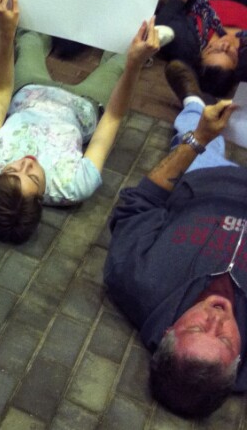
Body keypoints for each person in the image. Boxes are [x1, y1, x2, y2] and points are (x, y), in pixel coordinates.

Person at [104, 63, 244, 416]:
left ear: (169, 331)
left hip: (209, 180)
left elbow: (139, 203)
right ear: (238, 359)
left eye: (198, 328)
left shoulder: (134, 281)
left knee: (190, 132)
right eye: (225, 338)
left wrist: (199, 138)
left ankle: (193, 100)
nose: (217, 318)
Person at [0, 0, 159, 244]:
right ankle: (146, 42)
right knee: (121, 62)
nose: (27, 162)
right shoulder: (73, 185)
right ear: (41, 198)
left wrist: (6, 33)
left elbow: (2, 93)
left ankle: (59, 2)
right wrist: (134, 65)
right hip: (83, 105)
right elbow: (112, 118)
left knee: (29, 39)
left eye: (13, 171)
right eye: (33, 176)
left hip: (30, 92)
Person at [156, 0, 247, 97]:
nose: (225, 44)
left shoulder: (186, 41)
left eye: (214, 49)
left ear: (201, 54)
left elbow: (163, 20)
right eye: (231, 54)